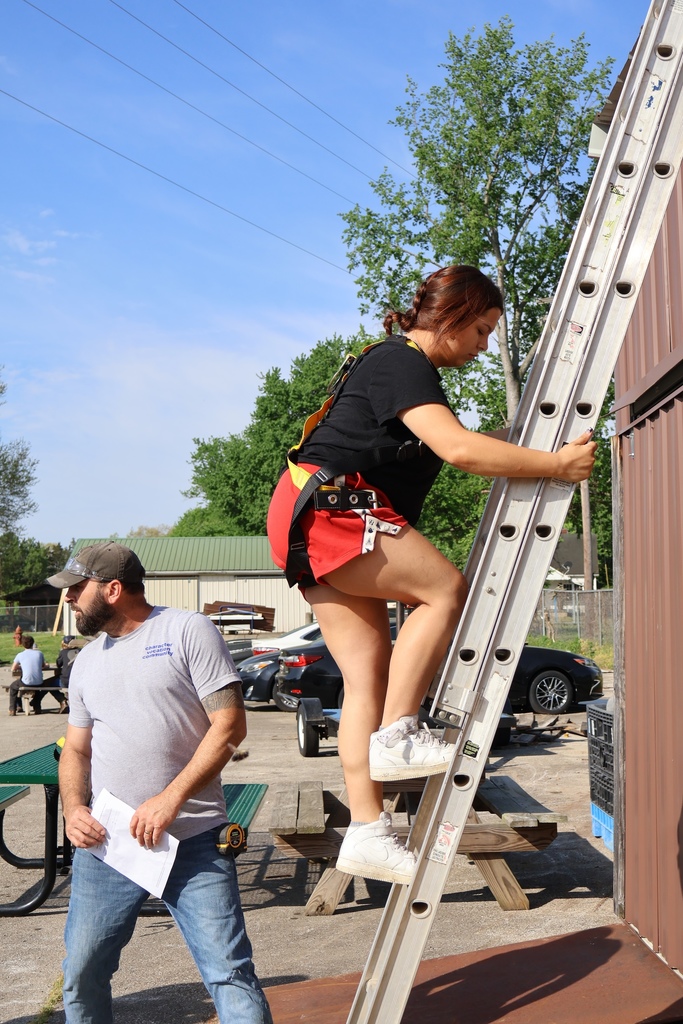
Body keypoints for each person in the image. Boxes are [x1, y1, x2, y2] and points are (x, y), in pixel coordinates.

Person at [267, 264, 597, 885]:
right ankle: (399, 735)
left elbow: (468, 441)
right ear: (450, 317)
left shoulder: (393, 369)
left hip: (306, 507)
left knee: (365, 676)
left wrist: (537, 441)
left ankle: (367, 832)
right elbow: (462, 450)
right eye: (480, 329)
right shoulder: (402, 362)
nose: (484, 345)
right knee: (445, 589)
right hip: (335, 509)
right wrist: (554, 465)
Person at [47, 542, 272, 1024]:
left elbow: (230, 725)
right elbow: (77, 751)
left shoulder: (188, 630)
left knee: (229, 973)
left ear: (112, 589)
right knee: (82, 973)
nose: (68, 600)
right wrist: (73, 809)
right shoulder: (86, 662)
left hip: (193, 840)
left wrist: (170, 799)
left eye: (76, 590)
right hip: (109, 846)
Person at [8, 635, 64, 715]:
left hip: (26, 682)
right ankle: (37, 708)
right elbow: (42, 665)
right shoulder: (39, 654)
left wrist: (22, 666)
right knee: (38, 687)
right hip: (39, 682)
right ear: (33, 643)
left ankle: (12, 709)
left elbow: (13, 668)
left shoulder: (20, 655)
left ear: (22, 644)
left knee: (13, 687)